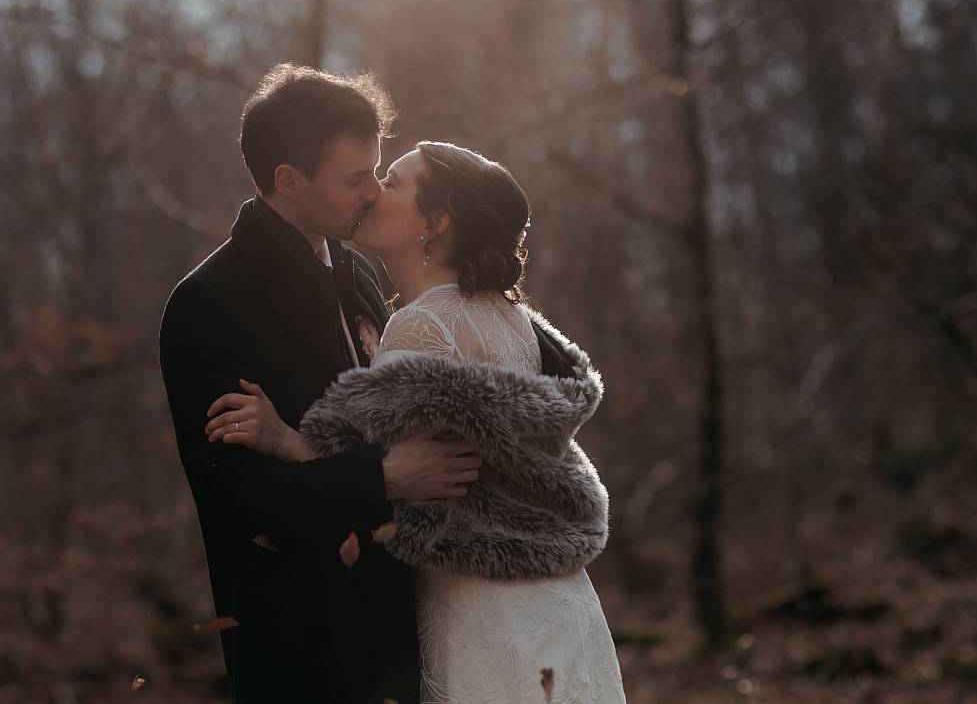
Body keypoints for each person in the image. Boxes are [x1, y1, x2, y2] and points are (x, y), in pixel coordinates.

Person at [208, 140, 627, 703]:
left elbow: (384, 476)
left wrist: (284, 439)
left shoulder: (420, 325)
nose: (374, 191)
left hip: (482, 614)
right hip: (561, 609)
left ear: (435, 222)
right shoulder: (514, 319)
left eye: (394, 183)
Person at [158, 65, 482, 704]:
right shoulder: (207, 302)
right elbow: (235, 496)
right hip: (300, 643)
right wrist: (382, 477)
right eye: (356, 179)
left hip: (399, 622)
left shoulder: (357, 270)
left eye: (377, 170)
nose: (374, 192)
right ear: (288, 180)